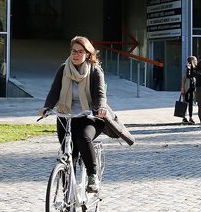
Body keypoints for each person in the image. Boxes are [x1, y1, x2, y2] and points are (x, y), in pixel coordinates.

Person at [40, 36, 134, 194]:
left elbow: (100, 95)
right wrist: (47, 107)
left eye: (80, 52)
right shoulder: (63, 69)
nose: (76, 55)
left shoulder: (95, 71)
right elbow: (54, 91)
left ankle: (92, 176)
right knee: (67, 155)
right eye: (73, 51)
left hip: (90, 116)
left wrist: (100, 108)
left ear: (88, 54)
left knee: (82, 137)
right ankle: (66, 197)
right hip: (66, 116)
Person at [179, 56, 196, 124]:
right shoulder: (187, 68)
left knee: (191, 103)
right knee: (185, 103)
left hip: (192, 88)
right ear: (192, 61)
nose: (196, 61)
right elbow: (183, 78)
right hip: (187, 88)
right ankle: (184, 117)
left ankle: (190, 117)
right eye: (195, 60)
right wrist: (182, 88)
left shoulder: (195, 68)